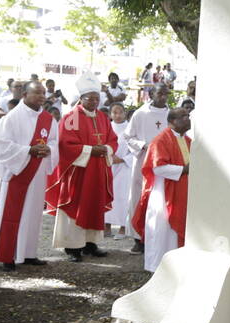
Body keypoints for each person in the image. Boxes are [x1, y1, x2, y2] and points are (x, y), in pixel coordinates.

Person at [46, 75, 118, 262]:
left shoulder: (103, 116)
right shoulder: (72, 117)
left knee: (94, 204)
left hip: (98, 169)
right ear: (81, 98)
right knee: (76, 205)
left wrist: (107, 149)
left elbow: (112, 139)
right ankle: (72, 247)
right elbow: (65, 143)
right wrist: (90, 150)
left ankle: (91, 244)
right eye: (90, 98)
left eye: (96, 98)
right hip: (78, 171)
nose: (94, 102)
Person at [0, 82, 58, 270]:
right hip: (17, 172)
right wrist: (29, 150)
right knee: (12, 215)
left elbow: (54, 141)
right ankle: (7, 256)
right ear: (25, 94)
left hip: (37, 173)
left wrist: (49, 149)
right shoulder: (11, 118)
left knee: (33, 214)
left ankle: (28, 253)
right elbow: (1, 146)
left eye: (43, 93)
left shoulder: (48, 119)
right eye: (37, 92)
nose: (42, 96)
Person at [135, 106, 193, 272]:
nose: (188, 118)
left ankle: (176, 267)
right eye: (184, 116)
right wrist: (183, 169)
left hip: (182, 191)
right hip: (163, 194)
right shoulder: (161, 140)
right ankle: (157, 267)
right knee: (163, 231)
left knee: (175, 233)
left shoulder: (188, 141)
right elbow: (157, 168)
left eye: (188, 115)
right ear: (173, 121)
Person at [123, 82, 171, 251]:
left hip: (164, 164)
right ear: (151, 95)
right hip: (143, 161)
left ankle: (159, 236)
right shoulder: (140, 114)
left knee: (160, 198)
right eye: (160, 94)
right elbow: (128, 136)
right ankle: (138, 238)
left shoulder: (172, 115)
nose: (163, 97)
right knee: (139, 196)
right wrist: (143, 145)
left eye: (166, 94)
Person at [105, 103, 132, 238]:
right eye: (114, 112)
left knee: (122, 197)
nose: (117, 115)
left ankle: (123, 227)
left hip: (124, 167)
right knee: (108, 194)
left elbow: (135, 148)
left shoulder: (130, 128)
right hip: (108, 165)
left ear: (125, 113)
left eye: (120, 112)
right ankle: (107, 226)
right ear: (110, 114)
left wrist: (123, 159)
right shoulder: (107, 127)